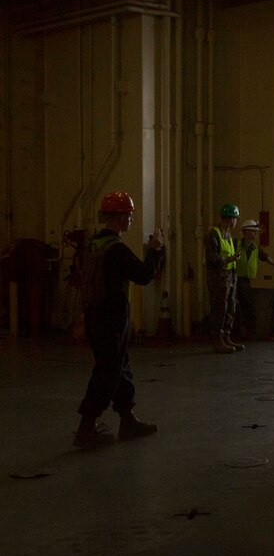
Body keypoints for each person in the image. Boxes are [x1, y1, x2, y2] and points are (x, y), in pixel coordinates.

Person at [74, 191, 164, 448]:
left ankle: (127, 419)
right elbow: (144, 275)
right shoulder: (117, 249)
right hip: (111, 318)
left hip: (95, 314)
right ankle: (86, 426)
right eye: (130, 216)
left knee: (119, 365)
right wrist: (155, 250)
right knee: (108, 371)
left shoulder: (94, 244)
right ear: (122, 218)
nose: (131, 220)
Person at [235, 219, 274, 340]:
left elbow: (269, 260)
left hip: (245, 281)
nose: (255, 234)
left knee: (247, 307)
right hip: (233, 279)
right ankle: (235, 333)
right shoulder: (235, 244)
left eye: (256, 232)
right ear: (245, 232)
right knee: (236, 308)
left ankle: (247, 333)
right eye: (253, 231)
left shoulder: (256, 248)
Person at [206, 203, 244, 353]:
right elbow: (212, 258)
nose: (236, 222)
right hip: (218, 279)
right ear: (230, 219)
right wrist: (228, 259)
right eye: (235, 218)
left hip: (230, 278)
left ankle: (226, 336)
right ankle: (217, 339)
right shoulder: (213, 234)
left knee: (230, 307)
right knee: (219, 309)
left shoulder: (228, 236)